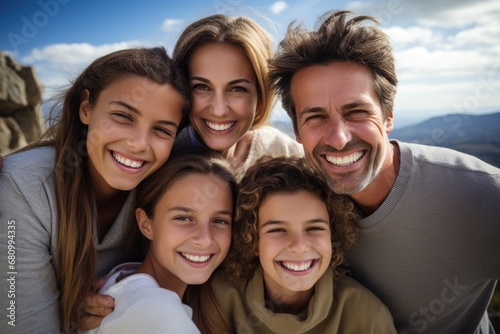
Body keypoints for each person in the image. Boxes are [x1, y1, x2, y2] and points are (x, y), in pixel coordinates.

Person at [268, 10, 500, 334]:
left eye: (357, 111)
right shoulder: (296, 202)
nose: (338, 138)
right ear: (296, 130)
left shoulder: (478, 194)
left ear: (388, 115)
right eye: (315, 117)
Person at [0, 47, 190, 333]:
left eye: (162, 130)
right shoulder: (24, 187)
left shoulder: (166, 194)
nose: (139, 143)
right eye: (124, 116)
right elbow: (15, 319)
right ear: (86, 107)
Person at [211, 156, 397, 333]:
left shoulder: (368, 317)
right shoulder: (217, 300)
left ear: (333, 235)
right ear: (252, 240)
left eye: (314, 228)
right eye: (277, 230)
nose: (299, 246)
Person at [85, 153, 236, 334]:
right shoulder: (156, 310)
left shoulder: (122, 279)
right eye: (184, 218)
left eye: (220, 221)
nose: (205, 239)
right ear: (145, 224)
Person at [172, 14, 303, 181]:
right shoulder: (162, 158)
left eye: (237, 89)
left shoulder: (284, 151)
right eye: (201, 87)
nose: (219, 110)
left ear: (261, 95)